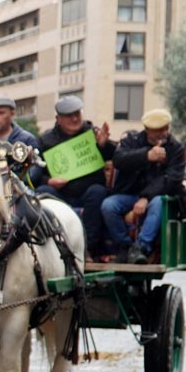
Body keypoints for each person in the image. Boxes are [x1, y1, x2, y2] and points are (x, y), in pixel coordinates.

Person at [31, 95, 114, 258]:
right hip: (61, 194)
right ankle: (55, 244)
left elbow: (114, 157)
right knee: (43, 191)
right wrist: (49, 181)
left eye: (77, 114)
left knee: (98, 192)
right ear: (58, 119)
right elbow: (35, 174)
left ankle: (87, 248)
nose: (75, 118)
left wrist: (105, 145)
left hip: (88, 193)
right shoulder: (45, 141)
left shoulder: (93, 134)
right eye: (69, 115)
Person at [101, 109, 186, 264]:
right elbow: (119, 159)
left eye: (165, 129)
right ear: (147, 130)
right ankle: (125, 246)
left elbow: (172, 178)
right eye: (157, 131)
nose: (163, 134)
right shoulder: (132, 140)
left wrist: (146, 197)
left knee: (158, 203)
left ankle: (141, 247)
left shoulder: (176, 148)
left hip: (156, 196)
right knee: (108, 205)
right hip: (129, 194)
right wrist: (147, 155)